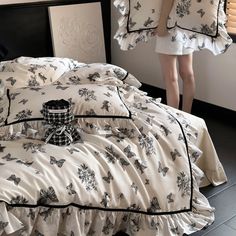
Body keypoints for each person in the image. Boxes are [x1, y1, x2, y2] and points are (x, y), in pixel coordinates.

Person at [155, 0, 195, 113]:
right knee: (188, 74)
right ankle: (187, 117)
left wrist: (161, 26)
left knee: (171, 77)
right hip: (186, 23)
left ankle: (175, 120)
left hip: (168, 25)